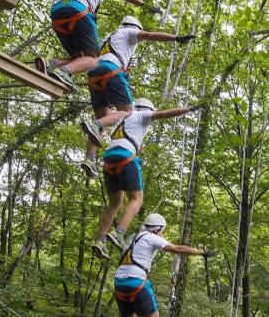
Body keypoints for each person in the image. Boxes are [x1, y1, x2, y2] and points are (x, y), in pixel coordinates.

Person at [79, 16, 196, 176]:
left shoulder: (109, 36)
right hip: (112, 70)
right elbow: (151, 35)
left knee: (104, 118)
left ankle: (89, 158)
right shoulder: (129, 32)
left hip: (94, 75)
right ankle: (96, 125)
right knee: (126, 110)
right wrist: (176, 38)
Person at [108, 214, 214, 317]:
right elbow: (177, 249)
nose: (162, 235)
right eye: (162, 231)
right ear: (157, 229)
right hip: (137, 283)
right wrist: (202, 253)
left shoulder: (133, 237)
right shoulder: (151, 237)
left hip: (119, 283)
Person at [86, 101, 202, 249]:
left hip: (109, 159)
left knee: (114, 203)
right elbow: (164, 114)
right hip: (126, 157)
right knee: (136, 199)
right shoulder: (142, 114)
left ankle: (100, 240)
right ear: (147, 109)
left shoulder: (122, 117)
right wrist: (189, 109)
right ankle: (118, 233)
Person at [36, 0, 160, 93]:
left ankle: (51, 63)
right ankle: (63, 71)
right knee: (92, 60)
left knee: (79, 58)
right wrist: (144, 5)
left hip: (57, 12)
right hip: (78, 10)